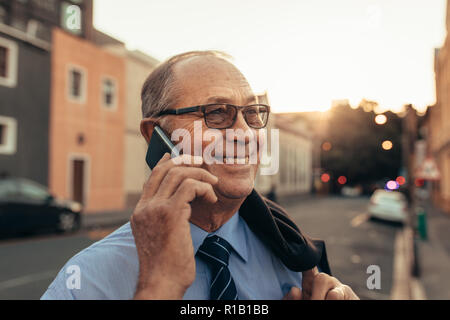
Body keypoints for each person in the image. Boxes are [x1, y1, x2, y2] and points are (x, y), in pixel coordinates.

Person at [41, 51, 358, 300]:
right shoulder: (85, 281)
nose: (245, 134)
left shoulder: (295, 258)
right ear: (156, 135)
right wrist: (160, 287)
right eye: (217, 112)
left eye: (252, 113)